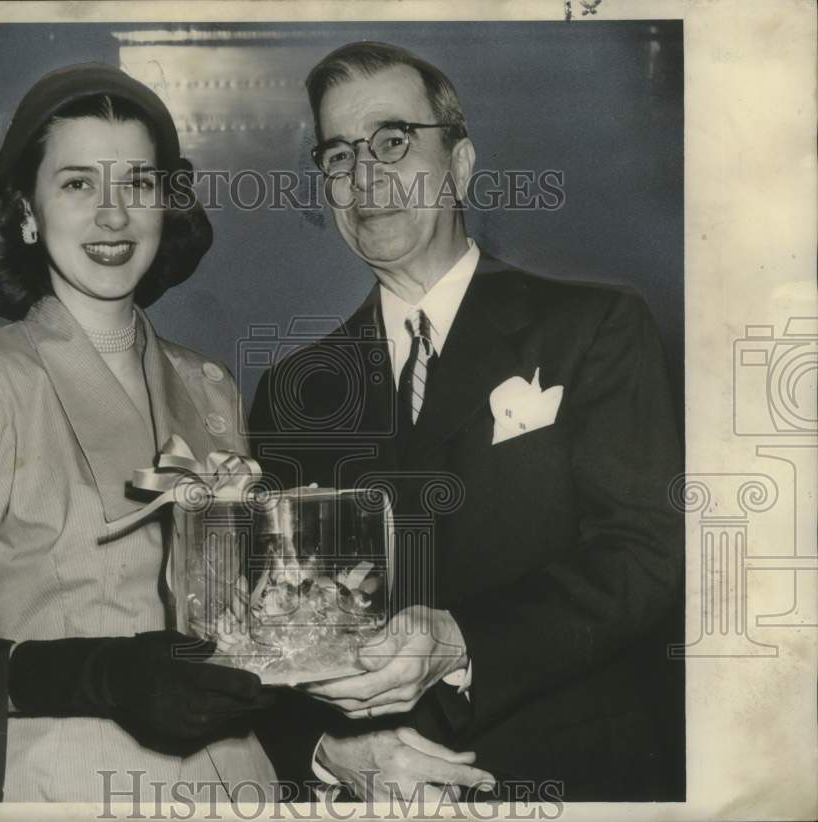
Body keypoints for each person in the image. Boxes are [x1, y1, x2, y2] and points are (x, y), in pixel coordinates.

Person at [249, 41, 684, 802]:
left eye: (392, 141)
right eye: (340, 156)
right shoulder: (294, 393)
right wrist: (326, 752)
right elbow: (268, 636)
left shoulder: (594, 328)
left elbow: (647, 558)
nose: (366, 177)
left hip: (577, 783)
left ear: (460, 163)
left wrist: (460, 642)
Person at [0, 63, 277, 803]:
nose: (114, 215)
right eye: (78, 184)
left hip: (233, 782)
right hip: (60, 783)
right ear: (27, 212)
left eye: (138, 183)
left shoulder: (212, 387)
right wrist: (104, 676)